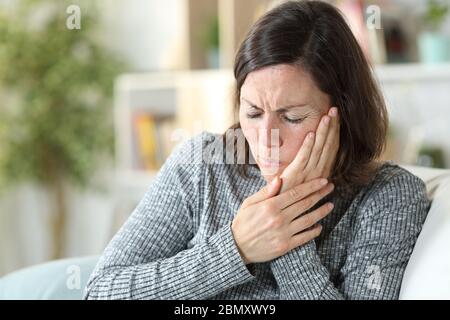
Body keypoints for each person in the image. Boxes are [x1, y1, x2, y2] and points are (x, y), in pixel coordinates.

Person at [84, 0, 430, 300]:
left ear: (343, 113)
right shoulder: (203, 165)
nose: (265, 136)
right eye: (252, 112)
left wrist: (285, 232)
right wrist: (235, 249)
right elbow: (100, 290)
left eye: (291, 117)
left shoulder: (387, 197)